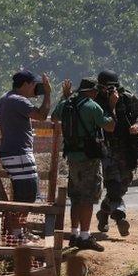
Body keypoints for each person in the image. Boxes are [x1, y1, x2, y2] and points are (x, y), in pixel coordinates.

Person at [52, 78, 117, 251]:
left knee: (75, 196)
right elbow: (109, 126)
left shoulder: (66, 104)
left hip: (72, 157)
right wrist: (112, 106)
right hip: (89, 159)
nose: (96, 94)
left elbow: (54, 116)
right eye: (95, 91)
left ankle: (74, 235)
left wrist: (64, 98)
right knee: (88, 197)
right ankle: (85, 236)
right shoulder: (92, 106)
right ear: (90, 92)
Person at [0, 70, 51, 242]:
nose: (36, 89)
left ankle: (19, 231)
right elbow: (41, 116)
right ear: (26, 84)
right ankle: (17, 234)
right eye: (34, 86)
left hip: (12, 153)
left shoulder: (6, 98)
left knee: (23, 193)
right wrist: (47, 94)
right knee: (26, 194)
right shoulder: (18, 100)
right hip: (19, 153)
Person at [94, 70, 138, 237]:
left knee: (123, 185)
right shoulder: (95, 100)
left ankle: (103, 213)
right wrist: (110, 105)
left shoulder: (127, 97)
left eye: (112, 87)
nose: (110, 91)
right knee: (113, 185)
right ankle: (119, 216)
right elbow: (101, 121)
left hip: (126, 149)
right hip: (106, 148)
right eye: (106, 87)